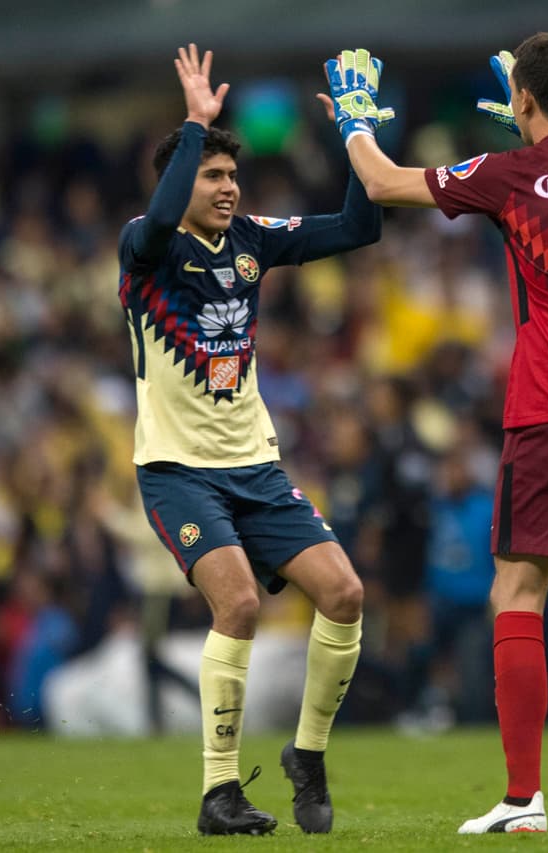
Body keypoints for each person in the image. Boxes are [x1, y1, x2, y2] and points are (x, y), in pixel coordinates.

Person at [319, 34, 548, 831]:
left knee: (517, 592)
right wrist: (528, 123)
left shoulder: (511, 173)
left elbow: (382, 180)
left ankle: (523, 799)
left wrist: (355, 118)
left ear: (522, 98)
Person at [119, 44, 381, 835]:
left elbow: (359, 226)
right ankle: (219, 791)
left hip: (256, 467)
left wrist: (356, 136)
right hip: (177, 471)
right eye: (212, 175)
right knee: (236, 603)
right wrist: (195, 125)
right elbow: (159, 217)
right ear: (181, 181)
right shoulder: (146, 249)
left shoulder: (253, 240)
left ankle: (308, 753)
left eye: (233, 175)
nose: (229, 187)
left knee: (345, 593)